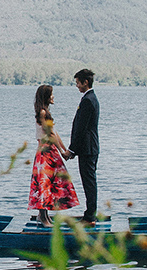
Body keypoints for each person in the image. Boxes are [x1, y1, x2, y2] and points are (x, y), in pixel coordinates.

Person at [28, 84, 78, 224]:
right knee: (44, 182)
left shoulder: (46, 113)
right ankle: (43, 216)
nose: (53, 97)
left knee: (50, 182)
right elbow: (50, 134)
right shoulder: (43, 113)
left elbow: (55, 133)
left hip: (50, 151)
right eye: (51, 94)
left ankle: (45, 215)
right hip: (45, 151)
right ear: (46, 97)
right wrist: (62, 151)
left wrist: (64, 149)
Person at [67, 68, 100, 222]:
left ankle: (90, 216)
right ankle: (90, 214)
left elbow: (81, 128)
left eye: (78, 83)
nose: (77, 86)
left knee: (89, 183)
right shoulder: (90, 98)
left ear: (85, 82)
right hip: (89, 148)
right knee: (89, 182)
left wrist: (71, 150)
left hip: (88, 149)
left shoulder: (88, 100)